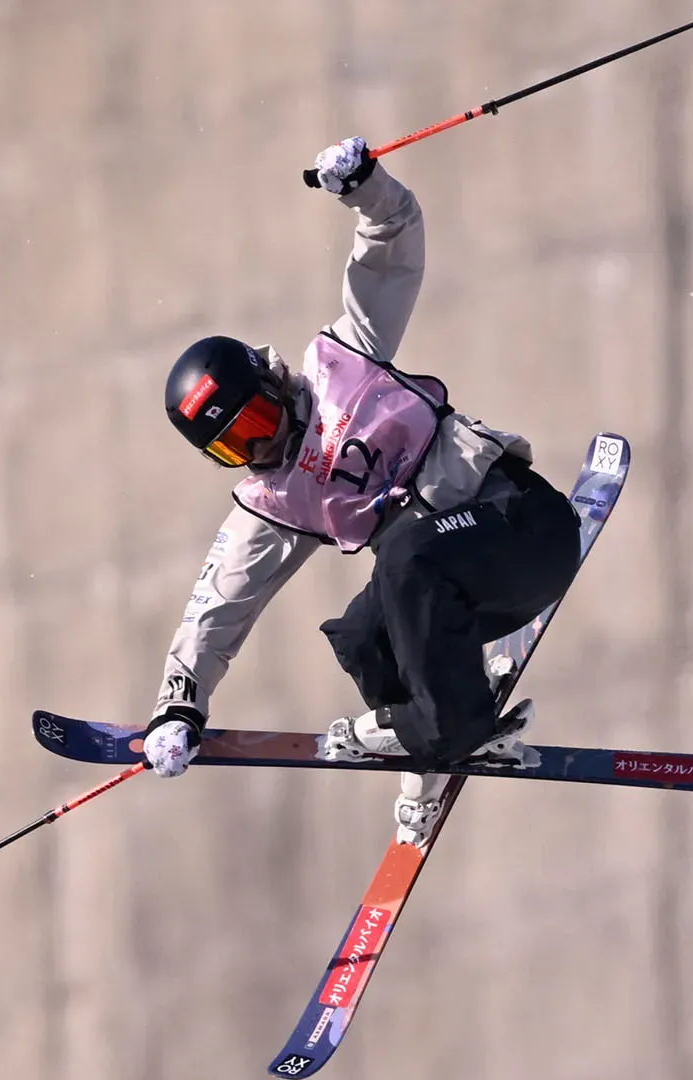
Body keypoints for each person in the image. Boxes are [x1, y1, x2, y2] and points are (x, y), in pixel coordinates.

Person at [142, 136, 582, 847]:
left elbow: (394, 235)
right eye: (235, 448)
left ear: (271, 382)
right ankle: (435, 744)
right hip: (464, 597)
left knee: (406, 557)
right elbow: (218, 605)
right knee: (358, 639)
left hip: (522, 528)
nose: (261, 448)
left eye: (256, 421)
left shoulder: (344, 360)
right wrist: (178, 709)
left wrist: (364, 185)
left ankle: (446, 730)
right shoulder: (274, 497)